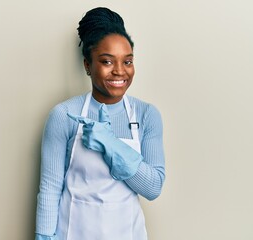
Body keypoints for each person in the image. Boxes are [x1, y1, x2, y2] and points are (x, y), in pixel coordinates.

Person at [35, 7, 165, 240]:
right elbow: (50, 187)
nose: (119, 71)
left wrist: (111, 144)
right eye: (107, 61)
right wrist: (43, 236)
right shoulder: (64, 115)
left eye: (127, 62)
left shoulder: (146, 115)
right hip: (73, 232)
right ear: (87, 65)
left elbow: (153, 187)